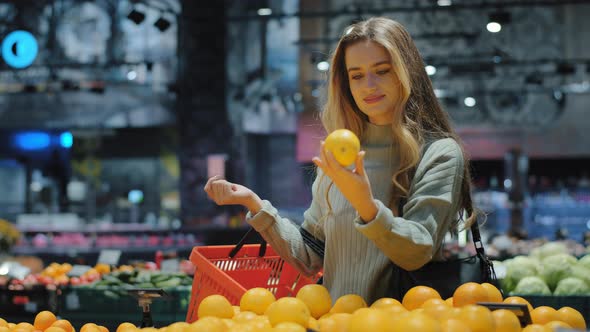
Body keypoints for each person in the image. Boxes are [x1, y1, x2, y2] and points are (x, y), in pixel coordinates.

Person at [204, 17, 479, 304]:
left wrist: (366, 205)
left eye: (382, 71)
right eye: (356, 75)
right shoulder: (341, 155)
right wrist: (255, 204)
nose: (368, 85)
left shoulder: (438, 153)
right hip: (334, 322)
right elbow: (311, 256)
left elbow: (417, 251)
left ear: (405, 72)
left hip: (397, 323)